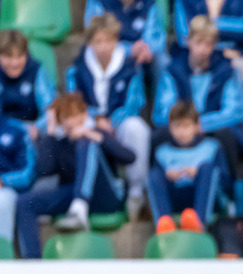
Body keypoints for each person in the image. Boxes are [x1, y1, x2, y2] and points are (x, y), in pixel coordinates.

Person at [14, 93, 135, 256]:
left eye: (77, 117)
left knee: (87, 143)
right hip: (71, 197)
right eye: (67, 120)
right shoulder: (58, 142)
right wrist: (49, 132)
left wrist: (95, 136)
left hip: (106, 196)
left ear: (85, 114)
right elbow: (44, 170)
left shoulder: (96, 133)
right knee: (25, 202)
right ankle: (33, 263)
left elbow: (129, 157)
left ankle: (80, 205)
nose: (74, 124)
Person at [66, 13, 151, 220]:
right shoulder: (77, 69)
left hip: (117, 124)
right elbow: (74, 104)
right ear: (89, 43)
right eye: (98, 42)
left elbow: (134, 102)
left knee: (136, 127)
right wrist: (95, 119)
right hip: (90, 123)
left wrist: (112, 120)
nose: (103, 47)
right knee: (77, 129)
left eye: (109, 41)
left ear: (116, 41)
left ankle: (136, 190)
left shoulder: (131, 67)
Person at [154, 16, 243, 173]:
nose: (203, 49)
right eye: (199, 42)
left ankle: (233, 187)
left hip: (213, 128)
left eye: (209, 44)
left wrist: (203, 124)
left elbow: (236, 112)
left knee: (226, 134)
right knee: (160, 135)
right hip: (181, 128)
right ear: (188, 40)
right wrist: (186, 125)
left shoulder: (226, 70)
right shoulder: (173, 70)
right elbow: (162, 113)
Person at [174, 0, 243, 117]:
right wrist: (211, 44)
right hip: (198, 53)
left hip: (236, 52)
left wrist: (207, 25)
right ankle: (187, 125)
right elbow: (184, 33)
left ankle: (237, 128)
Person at [148, 101, 230, 234]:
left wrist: (198, 174)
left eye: (186, 126)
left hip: (207, 199)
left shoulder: (212, 147)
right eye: (177, 126)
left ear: (197, 126)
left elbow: (225, 182)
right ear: (170, 128)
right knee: (154, 174)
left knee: (207, 168)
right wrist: (167, 176)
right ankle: (164, 224)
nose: (182, 132)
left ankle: (199, 223)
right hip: (177, 196)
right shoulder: (162, 152)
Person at [83, 0, 168, 75]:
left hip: (144, 52)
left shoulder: (149, 3)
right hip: (115, 51)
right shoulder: (98, 2)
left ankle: (164, 93)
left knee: (163, 60)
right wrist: (129, 50)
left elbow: (158, 34)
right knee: (132, 65)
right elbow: (95, 37)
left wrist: (148, 48)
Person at [0, 29, 57, 137]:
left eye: (19, 56)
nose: (14, 63)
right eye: (8, 57)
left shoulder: (36, 71)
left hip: (32, 130)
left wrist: (37, 127)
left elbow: (49, 109)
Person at [0, 112, 35, 250]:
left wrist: (3, 180)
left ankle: (3, 258)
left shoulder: (17, 130)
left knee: (2, 201)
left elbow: (27, 174)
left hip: (6, 189)